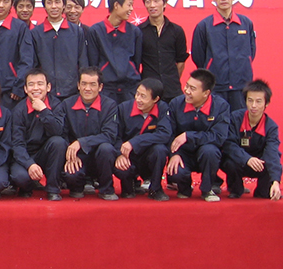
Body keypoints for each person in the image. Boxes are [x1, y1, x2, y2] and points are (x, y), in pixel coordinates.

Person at [54, 67, 120, 201]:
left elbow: (110, 135)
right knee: (71, 174)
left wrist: (81, 143)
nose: (87, 88)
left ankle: (106, 189)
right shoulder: (67, 105)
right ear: (78, 85)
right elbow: (62, 133)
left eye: (92, 84)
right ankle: (77, 188)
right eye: (84, 84)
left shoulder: (109, 106)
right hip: (77, 156)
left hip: (99, 156)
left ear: (100, 87)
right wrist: (71, 154)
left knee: (106, 148)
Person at [166, 69, 230, 202]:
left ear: (206, 93)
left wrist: (189, 136)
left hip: (206, 152)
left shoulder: (220, 106)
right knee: (176, 170)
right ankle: (184, 188)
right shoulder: (176, 104)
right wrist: (173, 154)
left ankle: (207, 189)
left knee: (210, 151)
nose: (187, 91)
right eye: (187, 86)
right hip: (183, 153)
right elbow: (168, 133)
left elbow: (219, 136)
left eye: (193, 89)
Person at [191, 0, 256, 111]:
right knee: (217, 121)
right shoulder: (204, 26)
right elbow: (198, 56)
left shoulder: (246, 23)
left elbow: (251, 52)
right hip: (216, 86)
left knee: (239, 120)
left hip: (241, 85)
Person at [10, 69, 65, 201]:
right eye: (31, 84)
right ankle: (28, 187)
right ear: (25, 89)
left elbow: (58, 131)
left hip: (46, 153)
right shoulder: (19, 110)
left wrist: (44, 110)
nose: (35, 88)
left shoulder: (56, 105)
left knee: (58, 142)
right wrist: (29, 164)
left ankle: (53, 190)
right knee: (20, 178)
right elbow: (17, 144)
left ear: (48, 87)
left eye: (40, 84)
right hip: (26, 155)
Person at [113, 78, 172, 201]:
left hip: (148, 155)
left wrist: (135, 142)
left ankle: (155, 189)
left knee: (160, 150)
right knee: (121, 167)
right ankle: (129, 186)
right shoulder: (124, 108)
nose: (138, 99)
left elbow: (164, 134)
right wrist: (119, 154)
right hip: (128, 155)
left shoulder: (163, 109)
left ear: (155, 99)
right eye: (137, 94)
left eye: (143, 96)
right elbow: (115, 135)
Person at [221, 79, 281, 200]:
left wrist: (276, 181)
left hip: (259, 164)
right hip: (239, 161)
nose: (253, 105)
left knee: (271, 168)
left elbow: (272, 153)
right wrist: (246, 159)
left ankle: (263, 191)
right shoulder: (235, 118)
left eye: (258, 101)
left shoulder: (271, 127)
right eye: (250, 100)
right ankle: (235, 189)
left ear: (266, 103)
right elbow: (228, 144)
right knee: (228, 161)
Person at [31, 0, 88, 102]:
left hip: (72, 92)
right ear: (44, 6)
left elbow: (83, 62)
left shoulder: (76, 31)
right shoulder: (36, 33)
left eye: (57, 2)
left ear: (64, 5)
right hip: (46, 94)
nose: (54, 6)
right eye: (49, 2)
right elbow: (34, 65)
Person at [87, 0, 142, 104]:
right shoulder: (96, 31)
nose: (131, 9)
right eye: (129, 5)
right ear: (116, 5)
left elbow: (137, 61)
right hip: (106, 90)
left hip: (130, 89)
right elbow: (93, 62)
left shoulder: (134, 32)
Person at [139, 0, 189, 103]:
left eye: (156, 0)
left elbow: (181, 61)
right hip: (148, 91)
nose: (152, 5)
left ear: (165, 3)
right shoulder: (139, 32)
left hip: (172, 90)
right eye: (148, 1)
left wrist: (171, 79)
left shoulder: (176, 31)